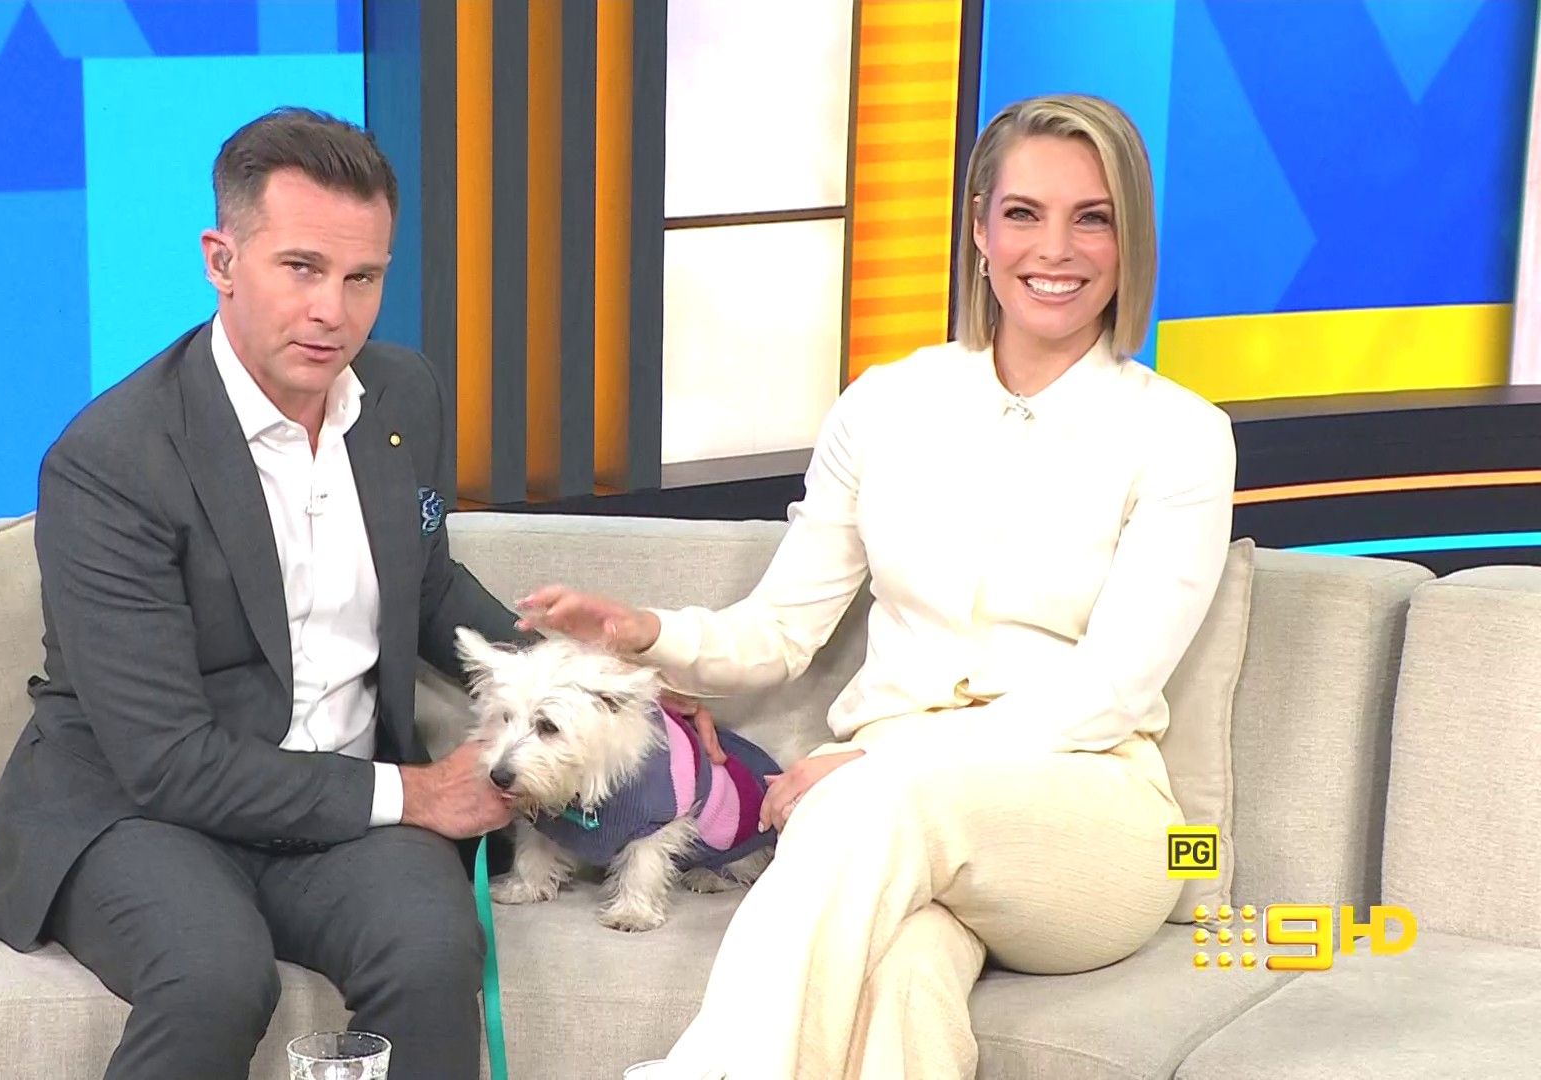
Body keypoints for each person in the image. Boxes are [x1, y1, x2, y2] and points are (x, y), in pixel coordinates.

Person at [518, 94, 1237, 1079]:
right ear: (979, 228)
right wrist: (646, 633)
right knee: (902, 989)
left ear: (1130, 239)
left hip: (1092, 817)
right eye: (1023, 213)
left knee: (871, 801)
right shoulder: (886, 404)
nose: (1055, 249)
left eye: (1093, 218)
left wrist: (875, 764)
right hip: (894, 821)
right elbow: (781, 632)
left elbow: (1106, 692)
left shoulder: (1182, 436)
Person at [0, 107, 533, 1080]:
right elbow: (167, 760)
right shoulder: (111, 461)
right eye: (301, 268)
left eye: (362, 278)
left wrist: (597, 675)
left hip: (342, 807)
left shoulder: (404, 395)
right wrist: (415, 792)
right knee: (213, 973)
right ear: (222, 261)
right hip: (141, 813)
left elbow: (428, 588)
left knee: (433, 950)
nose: (332, 312)